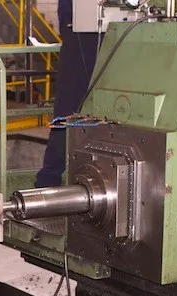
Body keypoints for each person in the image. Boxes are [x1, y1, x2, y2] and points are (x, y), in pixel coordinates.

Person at [34, 0, 102, 188]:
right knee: (67, 115)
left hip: (108, 27)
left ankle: (50, 181)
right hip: (83, 30)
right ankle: (47, 185)